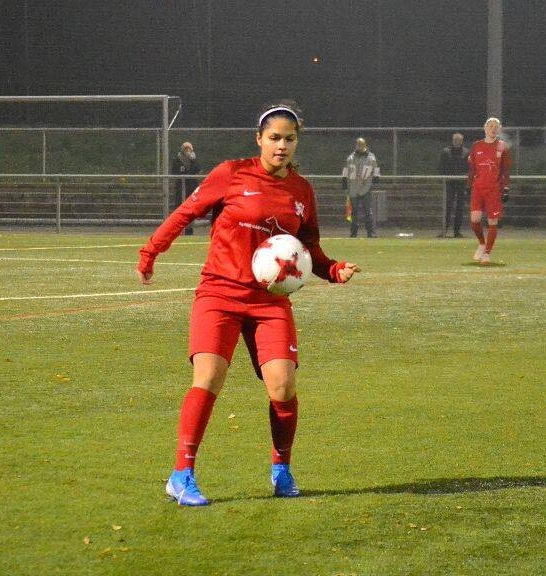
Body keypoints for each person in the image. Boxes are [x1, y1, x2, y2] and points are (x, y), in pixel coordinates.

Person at [137, 103, 360, 506]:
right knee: (208, 376)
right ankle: (181, 474)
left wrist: (332, 270)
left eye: (289, 138)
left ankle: (281, 469)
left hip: (269, 302)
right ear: (259, 139)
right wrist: (151, 251)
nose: (281, 145)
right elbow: (186, 212)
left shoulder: (302, 191)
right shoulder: (232, 173)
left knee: (283, 385)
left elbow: (308, 249)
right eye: (274, 138)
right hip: (220, 293)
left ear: (296, 142)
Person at [467, 117, 513, 265]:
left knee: (492, 221)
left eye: (496, 126)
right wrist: (468, 185)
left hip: (494, 189)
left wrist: (506, 188)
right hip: (478, 188)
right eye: (490, 126)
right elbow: (472, 169)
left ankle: (487, 253)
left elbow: (506, 171)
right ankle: (482, 243)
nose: (493, 129)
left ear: (499, 129)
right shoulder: (476, 146)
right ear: (485, 128)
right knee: (475, 219)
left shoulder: (502, 147)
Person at [342, 137, 380, 238]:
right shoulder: (350, 158)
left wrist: (376, 176)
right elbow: (346, 170)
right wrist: (344, 181)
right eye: (358, 145)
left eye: (361, 145)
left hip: (365, 187)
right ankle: (353, 232)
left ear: (365, 145)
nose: (359, 147)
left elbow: (376, 169)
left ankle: (371, 232)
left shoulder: (371, 158)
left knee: (368, 211)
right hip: (353, 187)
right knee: (354, 212)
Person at [437, 133, 469, 238]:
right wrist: (443, 178)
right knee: (448, 206)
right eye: (455, 140)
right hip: (449, 182)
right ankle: (444, 230)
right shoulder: (446, 152)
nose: (457, 142)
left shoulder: (466, 152)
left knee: (460, 207)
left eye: (459, 140)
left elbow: (470, 167)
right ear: (452, 140)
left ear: (462, 141)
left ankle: (457, 231)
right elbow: (441, 167)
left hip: (461, 183)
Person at [171, 141, 201, 235]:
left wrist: (192, 161)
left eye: (189, 149)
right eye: (185, 149)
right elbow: (174, 171)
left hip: (191, 187)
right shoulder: (178, 159)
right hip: (181, 187)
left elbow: (198, 169)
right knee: (180, 208)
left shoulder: (194, 158)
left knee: (190, 210)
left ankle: (189, 231)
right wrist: (181, 171)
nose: (187, 151)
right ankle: (178, 230)